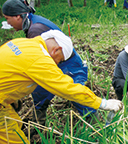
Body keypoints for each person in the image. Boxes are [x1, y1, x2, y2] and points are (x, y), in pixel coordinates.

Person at [0, 30, 123, 144]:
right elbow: (66, 87)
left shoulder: (21, 43)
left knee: (15, 125)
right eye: (61, 60)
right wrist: (102, 103)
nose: (58, 64)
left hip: (3, 102)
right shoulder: (39, 60)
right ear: (56, 50)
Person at [2, 0, 99, 129]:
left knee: (74, 90)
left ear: (17, 16)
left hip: (67, 63)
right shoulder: (31, 21)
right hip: (57, 59)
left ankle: (96, 126)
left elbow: (36, 63)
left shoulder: (35, 30)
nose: (7, 23)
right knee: (40, 91)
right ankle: (38, 124)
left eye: (7, 19)